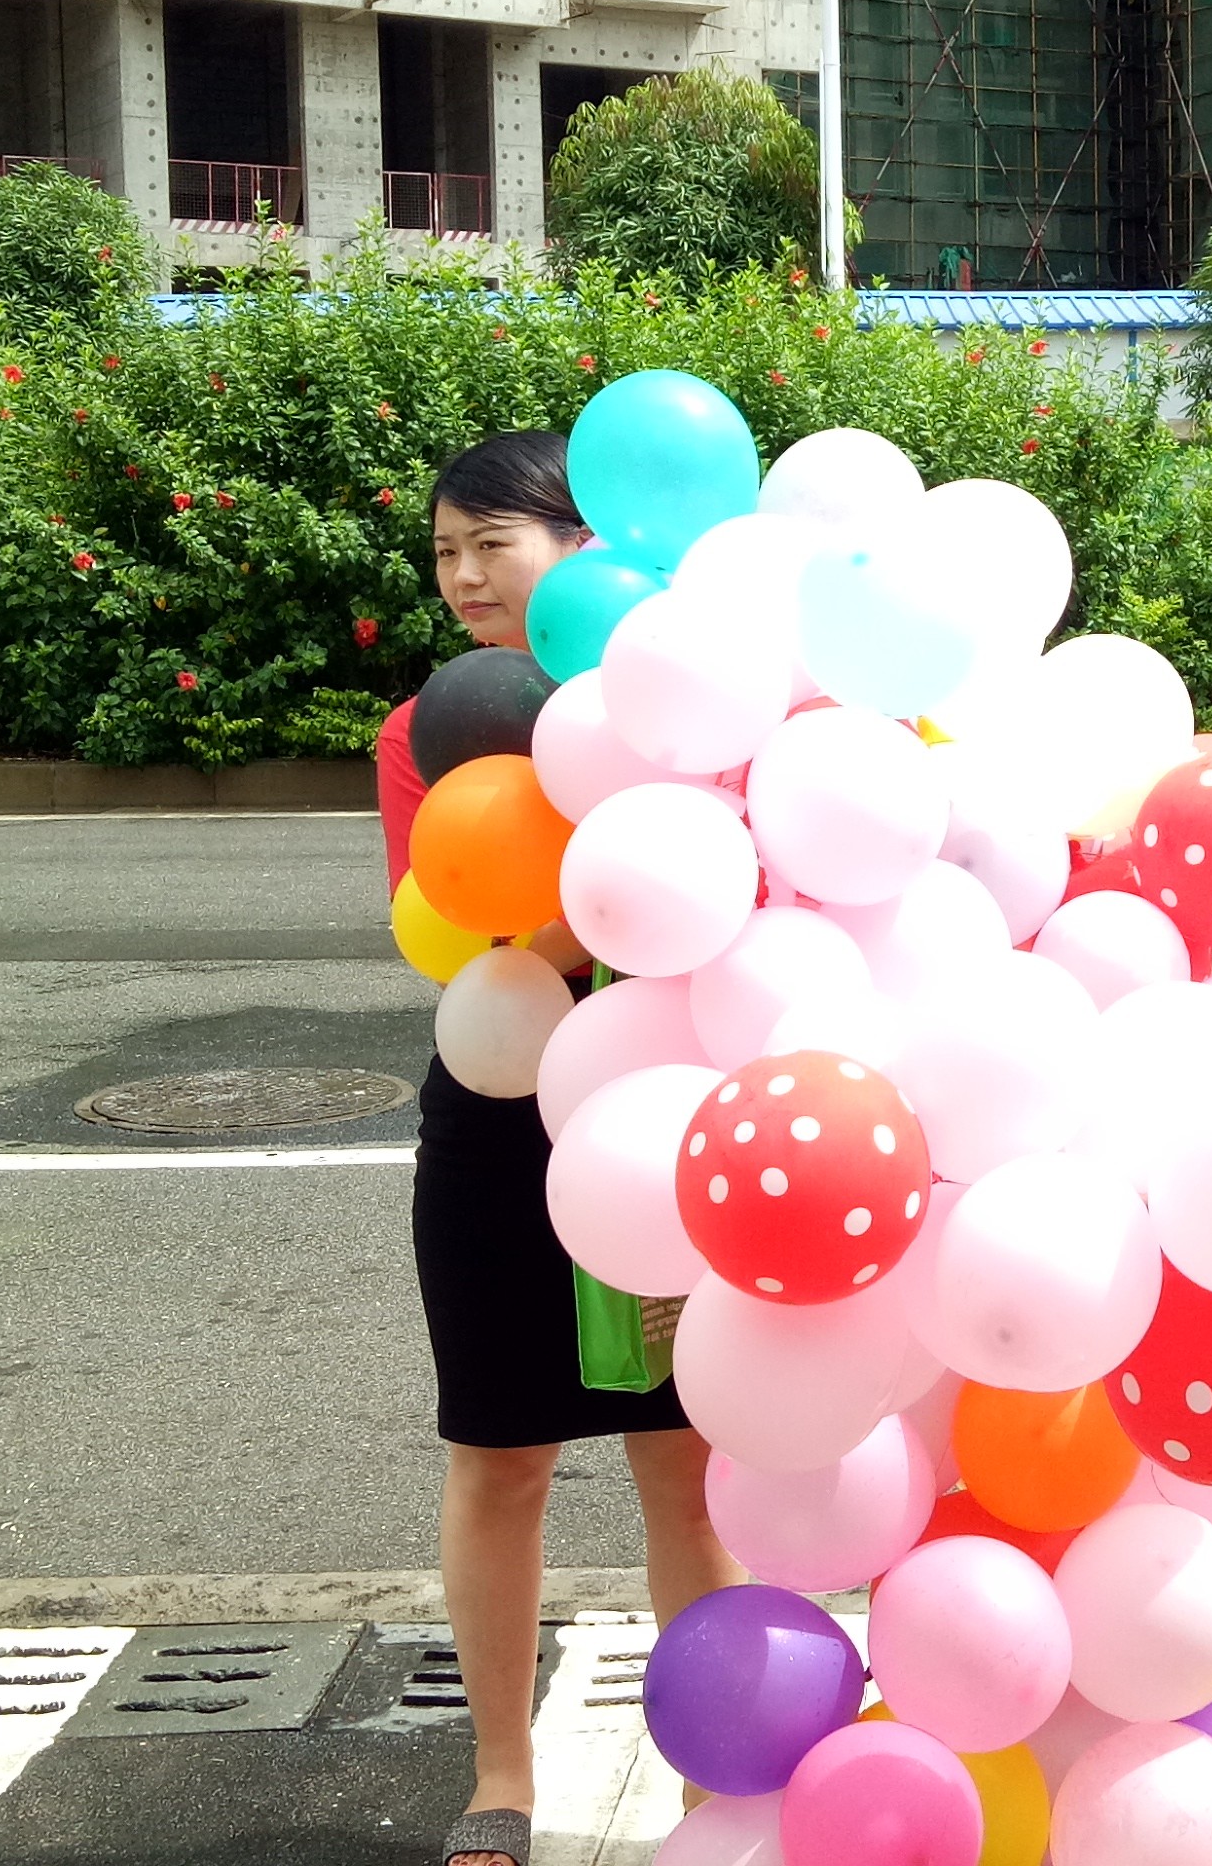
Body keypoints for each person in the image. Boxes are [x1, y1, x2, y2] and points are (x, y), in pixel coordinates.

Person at [375, 431, 738, 1866]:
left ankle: (721, 1771)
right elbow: (451, 940)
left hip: (664, 1113)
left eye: (494, 545)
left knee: (683, 1459)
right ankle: (500, 1779)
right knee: (497, 1452)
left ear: (582, 550)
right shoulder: (431, 730)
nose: (465, 576)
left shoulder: (685, 707)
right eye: (447, 551)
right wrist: (595, 908)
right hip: (500, 1106)